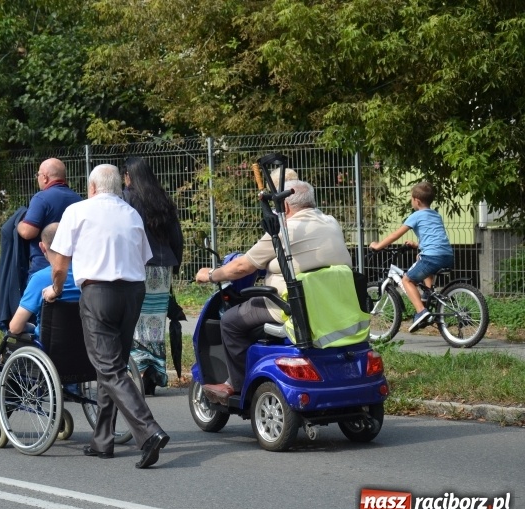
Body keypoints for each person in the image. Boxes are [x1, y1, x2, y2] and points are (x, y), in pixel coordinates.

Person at [44, 164, 170, 469]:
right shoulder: (132, 214)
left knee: (109, 369)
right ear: (117, 187)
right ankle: (102, 440)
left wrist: (56, 289)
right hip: (133, 293)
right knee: (112, 366)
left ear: (92, 187)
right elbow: (143, 257)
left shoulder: (77, 211)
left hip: (98, 292)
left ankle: (149, 431)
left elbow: (59, 264)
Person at [195, 178, 352, 404]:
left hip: (291, 306)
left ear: (285, 206)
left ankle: (238, 384)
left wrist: (210, 275)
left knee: (229, 321)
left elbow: (242, 267)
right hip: (332, 304)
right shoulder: (330, 222)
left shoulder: (284, 230)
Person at [0, 222, 80, 434]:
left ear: (42, 247)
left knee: (14, 347)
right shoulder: (89, 276)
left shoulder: (42, 278)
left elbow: (15, 326)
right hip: (84, 353)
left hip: (50, 353)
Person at [121, 157, 183, 394]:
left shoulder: (128, 199)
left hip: (138, 266)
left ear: (129, 175)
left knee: (137, 322)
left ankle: (139, 373)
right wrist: (174, 266)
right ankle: (154, 373)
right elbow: (176, 236)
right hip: (163, 268)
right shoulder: (162, 198)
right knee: (155, 322)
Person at [370, 181, 454, 332]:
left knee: (407, 280)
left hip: (432, 257)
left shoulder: (415, 216)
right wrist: (417, 245)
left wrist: (378, 246)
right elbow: (434, 238)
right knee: (419, 258)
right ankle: (427, 294)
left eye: (411, 199)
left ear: (417, 201)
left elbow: (395, 235)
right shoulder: (436, 215)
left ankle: (421, 311)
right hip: (447, 255)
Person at [17, 158, 81, 276]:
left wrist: (18, 222)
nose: (37, 178)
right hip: (73, 268)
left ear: (45, 177)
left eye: (38, 175)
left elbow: (28, 232)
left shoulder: (41, 198)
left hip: (44, 267)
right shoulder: (78, 199)